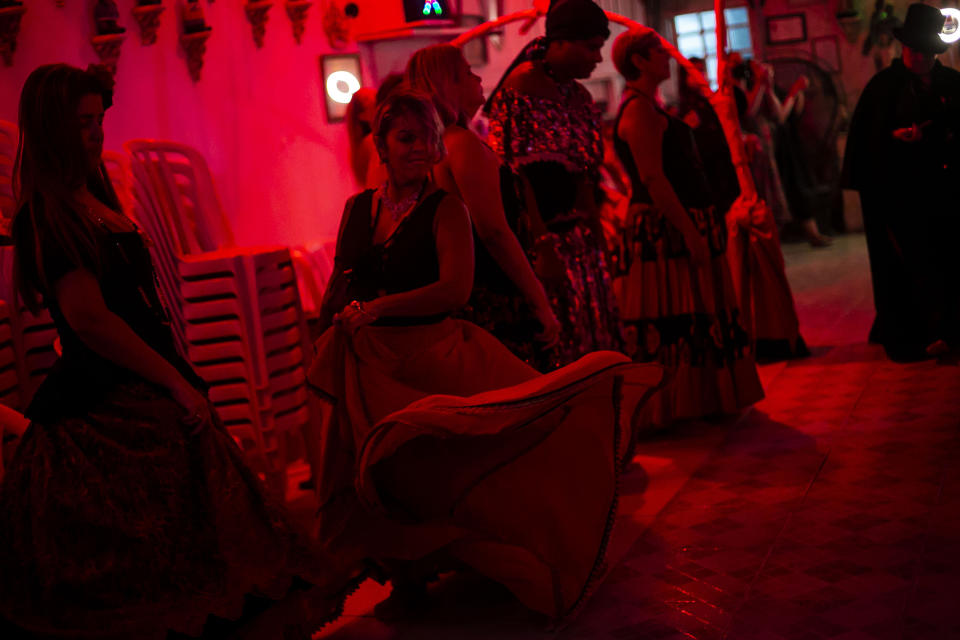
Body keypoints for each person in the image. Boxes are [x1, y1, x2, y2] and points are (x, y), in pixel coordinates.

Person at [0, 64, 356, 639]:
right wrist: (172, 379)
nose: (97, 134)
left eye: (99, 121)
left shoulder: (88, 198)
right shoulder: (49, 214)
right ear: (53, 130)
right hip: (106, 397)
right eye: (84, 123)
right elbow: (91, 320)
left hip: (140, 378)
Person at [306, 90, 664, 621]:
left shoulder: (445, 210)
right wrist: (326, 322)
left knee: (445, 467)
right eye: (405, 138)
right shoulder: (357, 209)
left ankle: (470, 559)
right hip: (370, 362)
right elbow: (344, 277)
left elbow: (455, 289)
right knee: (381, 474)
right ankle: (405, 574)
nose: (419, 149)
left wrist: (378, 308)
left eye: (426, 138)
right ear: (379, 143)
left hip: (435, 356)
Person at [611, 29, 763, 424]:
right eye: (659, 52)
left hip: (682, 221)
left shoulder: (650, 105)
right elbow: (654, 180)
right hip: (666, 229)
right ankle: (674, 405)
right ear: (638, 60)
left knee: (696, 312)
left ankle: (702, 400)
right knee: (676, 318)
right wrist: (691, 233)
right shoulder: (638, 110)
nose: (668, 58)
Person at [485, 0, 624, 370]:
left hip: (579, 236)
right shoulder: (521, 89)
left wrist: (597, 236)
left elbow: (583, 175)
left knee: (596, 331)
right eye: (591, 47)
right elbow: (516, 178)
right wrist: (543, 245)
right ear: (561, 41)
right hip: (541, 240)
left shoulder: (578, 96)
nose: (598, 58)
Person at [405, 44, 560, 364]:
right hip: (494, 295)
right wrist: (538, 298)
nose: (477, 77)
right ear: (448, 84)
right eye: (466, 72)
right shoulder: (460, 144)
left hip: (469, 293)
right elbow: (493, 231)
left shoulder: (436, 145)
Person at [843, 2, 960, 361]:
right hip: (900, 198)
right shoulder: (883, 88)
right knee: (906, 269)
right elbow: (868, 144)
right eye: (913, 50)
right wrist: (895, 140)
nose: (918, 58)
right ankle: (912, 334)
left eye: (925, 52)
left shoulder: (951, 84)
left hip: (947, 195)